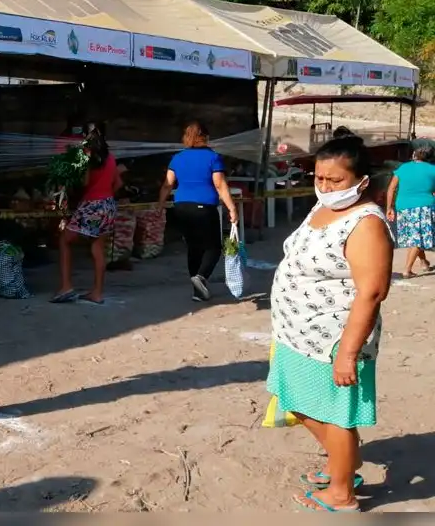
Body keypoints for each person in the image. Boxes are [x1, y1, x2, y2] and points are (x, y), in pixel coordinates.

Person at [268, 134, 393, 512]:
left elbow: (372, 291)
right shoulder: (321, 207)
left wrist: (348, 354)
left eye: (335, 180)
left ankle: (342, 494)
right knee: (297, 401)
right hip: (296, 331)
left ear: (361, 181)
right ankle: (344, 464)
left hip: (332, 340)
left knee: (333, 413)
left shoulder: (366, 223)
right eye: (319, 178)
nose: (325, 186)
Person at [157, 120, 238, 302]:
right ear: (206, 137)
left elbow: (167, 184)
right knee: (214, 247)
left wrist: (160, 204)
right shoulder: (213, 157)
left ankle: (198, 291)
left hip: (181, 207)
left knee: (193, 247)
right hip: (204, 207)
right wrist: (232, 208)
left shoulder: (177, 158)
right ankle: (201, 277)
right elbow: (219, 184)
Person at [51, 124, 122, 305]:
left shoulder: (87, 157)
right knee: (97, 248)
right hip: (108, 204)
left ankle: (66, 286)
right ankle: (97, 293)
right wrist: (106, 195)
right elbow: (118, 184)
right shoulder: (111, 158)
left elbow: (84, 182)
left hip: (92, 205)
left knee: (65, 240)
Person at [386, 145, 435, 277]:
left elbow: (391, 188)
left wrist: (389, 208)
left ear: (415, 155)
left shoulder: (403, 168)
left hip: (403, 206)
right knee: (418, 238)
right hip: (425, 206)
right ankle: (407, 270)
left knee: (414, 237)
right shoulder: (433, 170)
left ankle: (424, 262)